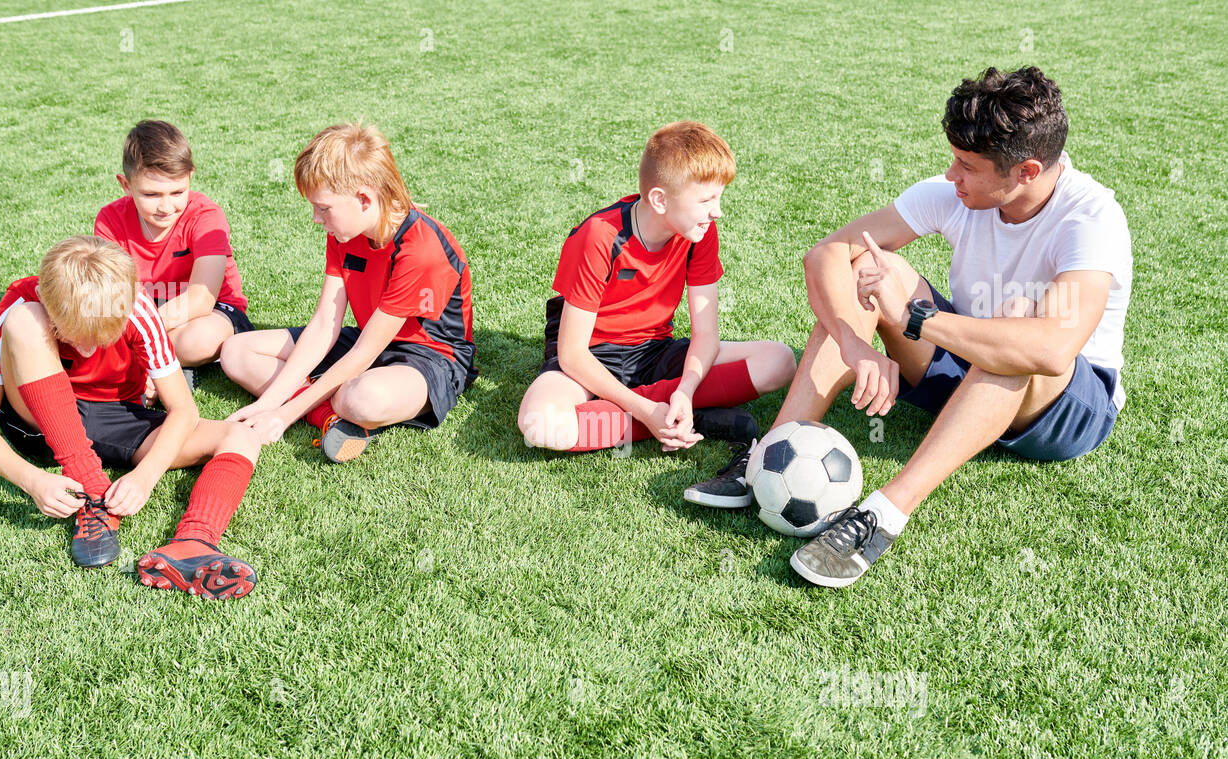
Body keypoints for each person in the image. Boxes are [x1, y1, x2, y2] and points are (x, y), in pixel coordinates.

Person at [751, 67, 1130, 587]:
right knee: (868, 270)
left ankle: (885, 515)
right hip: (968, 366)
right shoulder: (956, 191)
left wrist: (916, 320)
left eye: (967, 165)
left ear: (1026, 171)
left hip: (1065, 408)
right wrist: (855, 345)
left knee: (1016, 325)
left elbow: (1053, 350)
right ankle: (769, 453)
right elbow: (826, 255)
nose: (952, 175)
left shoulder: (1089, 218)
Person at [0, 236, 264, 598]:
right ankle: (92, 490)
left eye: (101, 338)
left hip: (112, 415)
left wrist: (145, 476)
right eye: (74, 336)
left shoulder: (133, 305)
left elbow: (183, 410)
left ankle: (194, 542)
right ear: (48, 297)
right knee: (25, 321)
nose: (88, 349)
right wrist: (34, 481)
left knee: (241, 437)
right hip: (35, 419)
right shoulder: (26, 300)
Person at [517, 120, 794, 495]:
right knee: (539, 425)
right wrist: (648, 411)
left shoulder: (700, 234)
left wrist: (685, 390)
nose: (718, 212)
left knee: (779, 361)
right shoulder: (599, 236)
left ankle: (678, 410)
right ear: (660, 200)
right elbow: (572, 354)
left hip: (654, 352)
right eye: (706, 200)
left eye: (719, 198)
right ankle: (676, 420)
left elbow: (706, 336)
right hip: (591, 361)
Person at [220, 123, 476, 463]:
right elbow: (326, 321)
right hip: (366, 340)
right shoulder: (343, 233)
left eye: (324, 208)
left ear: (365, 199)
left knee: (359, 398)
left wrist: (284, 413)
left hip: (429, 358)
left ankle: (332, 406)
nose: (316, 218)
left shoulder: (421, 250)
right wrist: (268, 404)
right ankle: (327, 415)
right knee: (236, 352)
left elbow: (364, 354)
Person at [95, 119, 252, 392]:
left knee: (199, 339)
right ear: (125, 185)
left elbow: (201, 299)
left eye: (177, 192)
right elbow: (115, 293)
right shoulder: (109, 220)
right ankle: (168, 366)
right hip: (146, 314)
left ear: (190, 177)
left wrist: (137, 339)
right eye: (151, 194)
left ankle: (148, 366)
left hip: (212, 312)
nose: (166, 206)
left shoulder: (206, 215)